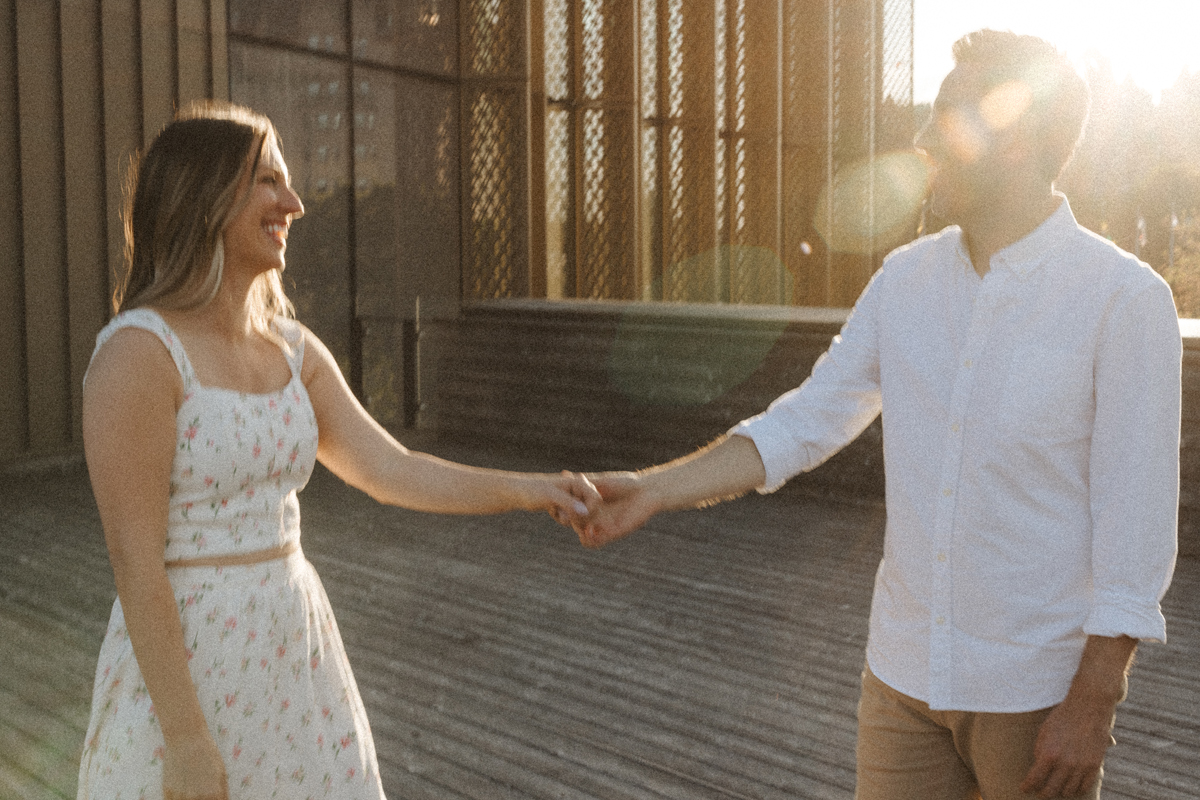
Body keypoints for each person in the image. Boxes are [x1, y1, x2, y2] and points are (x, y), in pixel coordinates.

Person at [565, 30, 1180, 800]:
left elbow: (1137, 524)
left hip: (1036, 696)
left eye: (945, 119)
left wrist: (1095, 701)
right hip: (902, 680)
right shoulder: (905, 280)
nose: (922, 140)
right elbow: (808, 419)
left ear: (1018, 142)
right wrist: (655, 488)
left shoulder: (1124, 301)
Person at [78, 101, 598, 800]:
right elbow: (134, 559)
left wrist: (533, 489)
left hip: (293, 653)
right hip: (186, 673)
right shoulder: (140, 353)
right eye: (267, 181)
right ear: (201, 197)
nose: (293, 203)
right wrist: (189, 740)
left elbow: (393, 470)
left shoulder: (294, 351)